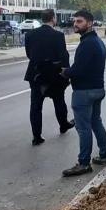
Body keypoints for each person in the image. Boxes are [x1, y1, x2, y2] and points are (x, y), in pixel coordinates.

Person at [60, 10, 106, 177]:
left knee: (83, 128)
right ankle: (104, 155)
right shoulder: (97, 41)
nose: (75, 24)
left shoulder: (87, 44)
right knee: (96, 122)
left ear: (89, 23)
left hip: (84, 92)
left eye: (79, 21)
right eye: (75, 21)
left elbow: (79, 70)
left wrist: (66, 72)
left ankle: (83, 163)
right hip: (98, 89)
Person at [24, 9, 73, 146]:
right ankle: (63, 125)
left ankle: (36, 136)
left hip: (36, 74)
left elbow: (29, 54)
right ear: (53, 18)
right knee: (59, 101)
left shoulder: (30, 34)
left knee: (35, 106)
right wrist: (66, 73)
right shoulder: (58, 35)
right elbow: (63, 56)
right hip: (54, 74)